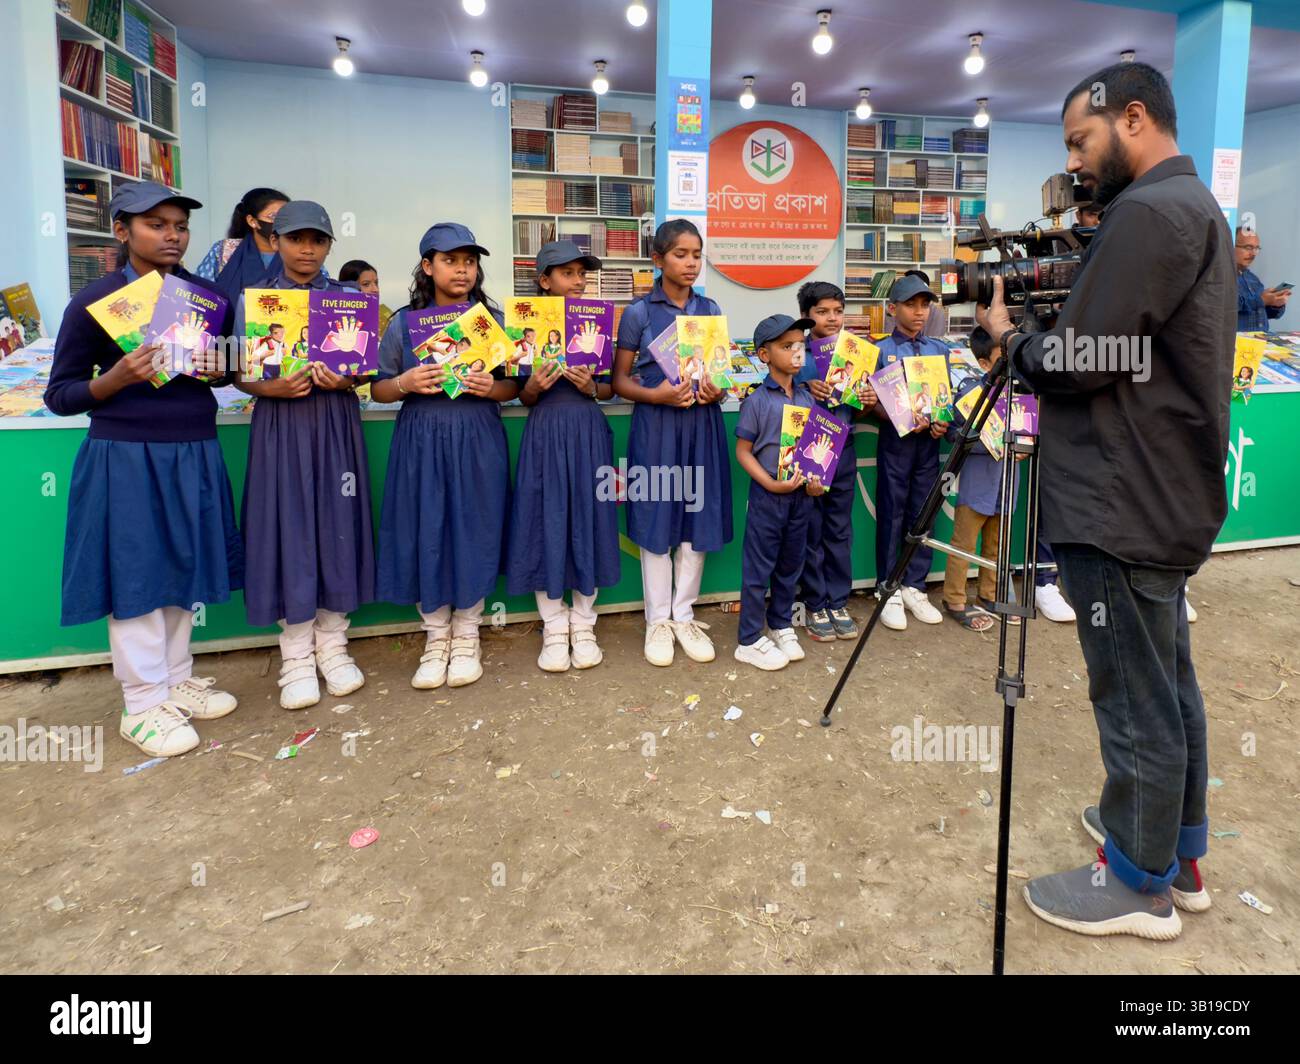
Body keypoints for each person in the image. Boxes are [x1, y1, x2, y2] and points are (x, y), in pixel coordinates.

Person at [977, 62, 1234, 940]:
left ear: (1132, 118)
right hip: (1164, 494)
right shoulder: (1194, 208)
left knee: (1131, 695)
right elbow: (1127, 352)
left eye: (1081, 143)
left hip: (1123, 502)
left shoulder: (1147, 214)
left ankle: (1136, 880)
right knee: (1169, 685)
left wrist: (1013, 340)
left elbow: (1088, 361)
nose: (1077, 165)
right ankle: (1179, 849)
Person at [45, 181, 243, 757]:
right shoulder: (93, 303)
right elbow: (60, 395)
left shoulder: (206, 297)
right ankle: (141, 704)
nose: (172, 235)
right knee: (135, 576)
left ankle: (176, 680)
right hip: (125, 454)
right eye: (156, 224)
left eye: (179, 226)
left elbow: (228, 370)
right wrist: (114, 379)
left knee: (183, 567)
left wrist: (217, 368)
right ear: (121, 230)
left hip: (194, 447)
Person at [233, 201, 374, 711]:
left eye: (318, 240)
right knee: (287, 528)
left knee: (338, 522)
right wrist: (268, 390)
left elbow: (364, 369)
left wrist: (349, 378)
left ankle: (334, 646)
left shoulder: (347, 300)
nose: (307, 249)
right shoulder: (258, 302)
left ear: (330, 246)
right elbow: (240, 375)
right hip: (281, 425)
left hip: (336, 423)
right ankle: (294, 655)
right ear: (277, 241)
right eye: (296, 239)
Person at [371, 223, 519, 690]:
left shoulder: (489, 319)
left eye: (470, 261)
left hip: (477, 433)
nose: (462, 270)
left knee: (475, 525)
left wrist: (489, 387)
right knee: (426, 525)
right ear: (427, 266)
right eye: (451, 260)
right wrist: (404, 384)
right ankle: (436, 635)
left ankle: (468, 631)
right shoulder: (402, 323)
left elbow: (513, 386)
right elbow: (376, 386)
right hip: (421, 435)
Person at [613, 219, 731, 668]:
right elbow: (619, 381)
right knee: (656, 520)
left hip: (702, 425)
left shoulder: (710, 307)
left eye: (697, 254)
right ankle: (657, 621)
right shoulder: (640, 313)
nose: (690, 263)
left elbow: (720, 371)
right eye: (680, 254)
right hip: (657, 426)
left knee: (695, 522)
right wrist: (656, 393)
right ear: (658, 259)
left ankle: (684, 615)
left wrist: (718, 388)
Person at [507, 240, 618, 672]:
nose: (578, 281)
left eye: (582, 274)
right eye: (568, 273)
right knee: (544, 518)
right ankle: (553, 626)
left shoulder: (597, 323)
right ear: (544, 280)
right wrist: (533, 384)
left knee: (589, 518)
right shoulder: (523, 327)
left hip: (587, 429)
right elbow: (518, 395)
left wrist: (592, 385)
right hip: (544, 431)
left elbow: (609, 388)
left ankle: (584, 622)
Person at [734, 314, 825, 670]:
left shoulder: (807, 398)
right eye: (787, 347)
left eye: (800, 345)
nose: (797, 353)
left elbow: (818, 450)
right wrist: (770, 483)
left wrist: (817, 483)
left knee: (791, 564)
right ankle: (749, 638)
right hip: (768, 497)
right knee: (759, 568)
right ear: (764, 355)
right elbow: (743, 451)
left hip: (801, 496)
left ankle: (780, 623)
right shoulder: (757, 400)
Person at [793, 281, 874, 642]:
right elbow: (775, 390)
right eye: (823, 312)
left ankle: (838, 600)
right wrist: (805, 387)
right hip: (810, 448)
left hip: (844, 446)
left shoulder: (854, 352)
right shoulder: (796, 353)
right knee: (811, 529)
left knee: (839, 529)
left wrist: (869, 396)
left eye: (838, 311)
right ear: (806, 316)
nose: (832, 318)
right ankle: (814, 602)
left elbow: (866, 402)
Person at [873, 274, 950, 631]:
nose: (919, 312)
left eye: (924, 305)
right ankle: (887, 587)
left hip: (929, 446)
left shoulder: (939, 349)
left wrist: (941, 422)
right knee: (892, 511)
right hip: (896, 442)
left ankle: (914, 585)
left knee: (924, 510)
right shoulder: (880, 351)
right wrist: (897, 416)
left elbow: (944, 401)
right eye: (910, 305)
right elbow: (867, 404)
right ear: (892, 309)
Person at [195, 187, 288, 304]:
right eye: (274, 217)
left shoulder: (299, 252)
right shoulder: (224, 250)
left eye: (287, 217)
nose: (283, 222)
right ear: (252, 221)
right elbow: (199, 294)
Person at [1233, 227, 1289, 332]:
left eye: (1256, 248)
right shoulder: (1220, 278)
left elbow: (1263, 313)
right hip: (1237, 345)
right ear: (1231, 246)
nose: (1253, 254)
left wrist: (1275, 303)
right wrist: (1262, 300)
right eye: (1248, 247)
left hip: (1261, 343)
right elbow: (1226, 306)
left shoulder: (1253, 279)